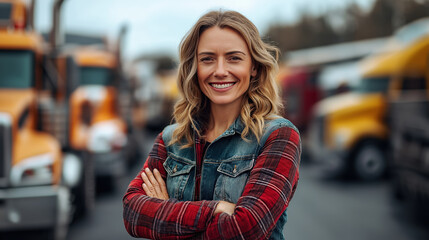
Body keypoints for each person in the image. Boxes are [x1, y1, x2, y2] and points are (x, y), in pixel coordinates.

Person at [123, 10, 301, 240]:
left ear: (254, 66)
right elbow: (132, 214)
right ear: (194, 67)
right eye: (207, 59)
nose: (219, 71)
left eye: (233, 58)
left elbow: (244, 229)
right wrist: (216, 209)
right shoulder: (170, 139)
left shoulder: (278, 136)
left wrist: (165, 214)